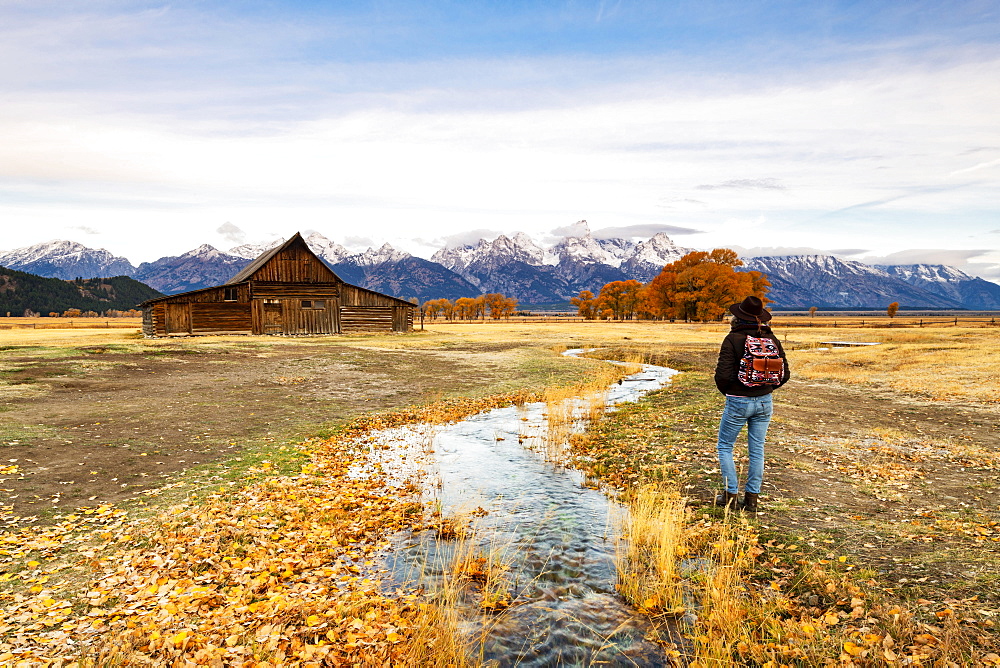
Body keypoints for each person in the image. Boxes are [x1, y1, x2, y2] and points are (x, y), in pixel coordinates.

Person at [713, 296, 790, 512]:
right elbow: (784, 374)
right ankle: (751, 500)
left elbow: (722, 375)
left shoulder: (733, 338)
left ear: (738, 317)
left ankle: (730, 496)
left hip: (738, 401)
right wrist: (765, 390)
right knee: (757, 449)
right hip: (765, 402)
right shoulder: (771, 338)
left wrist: (732, 393)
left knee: (725, 446)